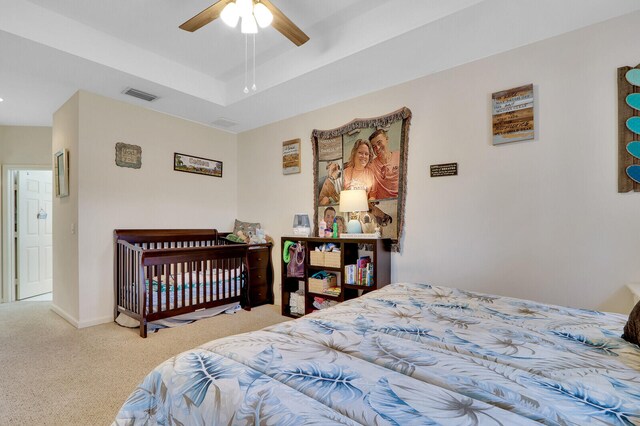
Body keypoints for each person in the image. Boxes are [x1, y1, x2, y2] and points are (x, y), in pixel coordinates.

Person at [368, 129, 400, 199]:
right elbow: (372, 192)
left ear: (387, 139)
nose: (377, 148)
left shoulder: (400, 156)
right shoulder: (371, 166)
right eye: (374, 146)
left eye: (379, 143)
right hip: (382, 205)